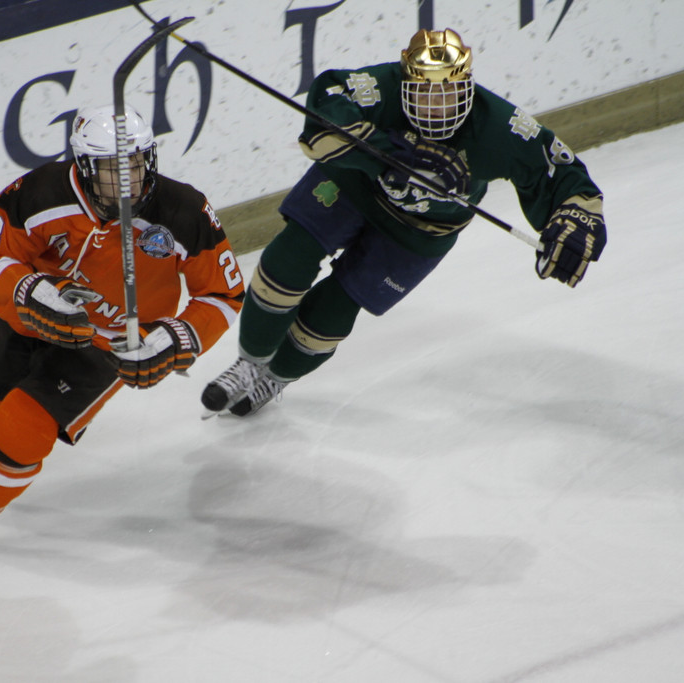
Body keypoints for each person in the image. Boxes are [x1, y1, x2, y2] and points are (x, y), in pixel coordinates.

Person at [0, 104, 245, 562]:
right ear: (83, 166)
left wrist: (176, 338)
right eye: (110, 168)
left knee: (22, 427)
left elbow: (222, 295)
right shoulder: (40, 192)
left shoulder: (184, 210)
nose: (126, 178)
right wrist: (30, 292)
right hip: (25, 317)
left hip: (105, 345)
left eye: (135, 162)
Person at [201, 28, 607, 417]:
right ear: (405, 82)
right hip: (354, 185)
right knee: (290, 257)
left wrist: (575, 220)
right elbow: (326, 98)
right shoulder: (382, 85)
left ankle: (273, 377)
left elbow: (561, 171)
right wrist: (390, 153)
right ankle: (250, 363)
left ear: (468, 88)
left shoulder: (497, 127)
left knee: (334, 312)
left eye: (449, 93)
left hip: (423, 230)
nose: (438, 106)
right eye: (425, 93)